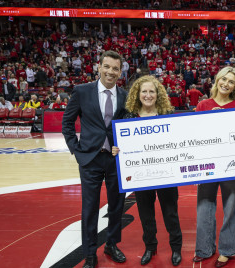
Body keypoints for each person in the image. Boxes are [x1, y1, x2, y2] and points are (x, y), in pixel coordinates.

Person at [62, 51, 128, 268]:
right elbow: (67, 123)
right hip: (90, 159)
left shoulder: (125, 96)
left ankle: (111, 244)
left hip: (115, 159)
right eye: (107, 67)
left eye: (115, 68)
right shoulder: (82, 91)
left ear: (120, 72)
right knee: (89, 208)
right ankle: (90, 253)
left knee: (117, 206)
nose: (111, 72)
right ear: (99, 67)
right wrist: (76, 151)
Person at [111, 75, 182, 266]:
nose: (148, 95)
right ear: (137, 94)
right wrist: (115, 148)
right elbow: (116, 140)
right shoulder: (127, 116)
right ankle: (150, 247)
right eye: (144, 91)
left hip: (166, 174)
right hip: (140, 176)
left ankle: (176, 248)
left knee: (171, 213)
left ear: (158, 94)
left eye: (152, 91)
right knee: (146, 214)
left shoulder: (168, 115)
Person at [193, 66, 235, 267]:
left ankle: (227, 249)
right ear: (217, 80)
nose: (226, 84)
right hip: (207, 162)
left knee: (231, 206)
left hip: (231, 164)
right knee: (204, 205)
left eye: (231, 82)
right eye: (224, 79)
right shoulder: (203, 105)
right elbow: (194, 136)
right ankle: (204, 248)